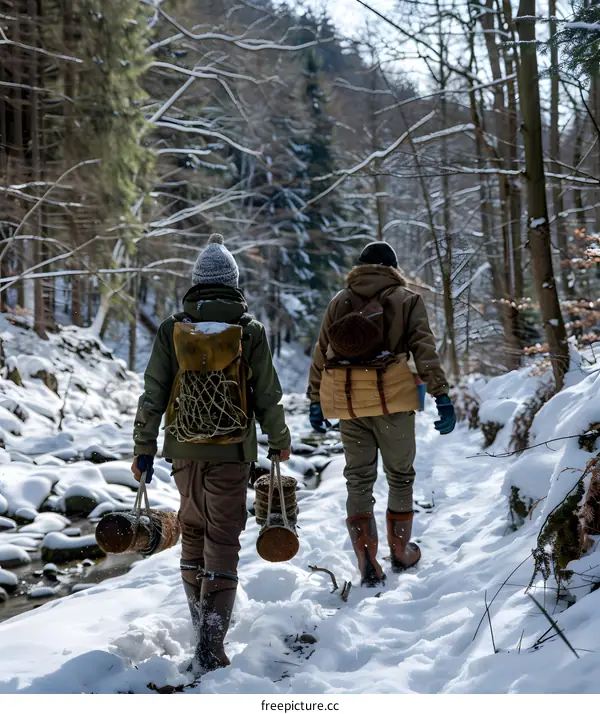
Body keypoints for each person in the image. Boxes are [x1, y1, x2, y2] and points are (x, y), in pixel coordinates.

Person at [131, 233, 291, 672]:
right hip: (232, 452)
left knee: (195, 530)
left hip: (182, 452)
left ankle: (203, 634)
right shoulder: (249, 331)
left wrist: (143, 446)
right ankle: (209, 647)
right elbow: (268, 395)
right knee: (223, 539)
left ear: (197, 282)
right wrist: (279, 441)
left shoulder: (172, 329)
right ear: (233, 283)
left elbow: (154, 392)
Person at [307, 241, 455, 586]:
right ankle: (401, 551)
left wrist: (316, 399)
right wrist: (441, 395)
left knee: (358, 478)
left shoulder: (339, 301)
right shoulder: (407, 300)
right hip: (394, 401)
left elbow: (320, 353)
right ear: (393, 267)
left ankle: (367, 562)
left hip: (348, 403)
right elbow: (424, 348)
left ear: (360, 268)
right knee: (400, 475)